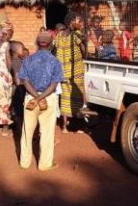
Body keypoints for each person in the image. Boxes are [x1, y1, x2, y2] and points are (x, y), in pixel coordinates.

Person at [18, 31, 63, 171]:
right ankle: (44, 164)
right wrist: (41, 97)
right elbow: (54, 85)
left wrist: (36, 98)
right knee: (47, 132)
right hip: (48, 98)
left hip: (30, 98)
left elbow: (25, 82)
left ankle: (24, 163)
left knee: (27, 132)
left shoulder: (27, 60)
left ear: (37, 44)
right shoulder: (55, 62)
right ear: (51, 45)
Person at [55, 13, 88, 133]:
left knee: (65, 99)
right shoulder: (76, 34)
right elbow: (84, 53)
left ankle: (64, 127)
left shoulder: (59, 35)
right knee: (78, 98)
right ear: (71, 23)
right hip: (76, 72)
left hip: (63, 72)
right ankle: (79, 127)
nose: (80, 23)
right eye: (78, 21)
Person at [9, 41, 26, 127]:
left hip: (19, 88)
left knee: (18, 110)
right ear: (16, 51)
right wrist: (20, 88)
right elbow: (16, 75)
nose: (23, 51)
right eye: (22, 49)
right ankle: (21, 132)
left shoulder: (17, 60)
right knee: (19, 111)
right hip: (18, 88)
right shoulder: (16, 62)